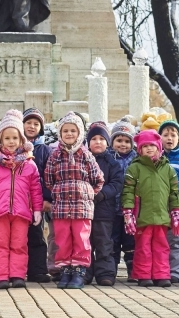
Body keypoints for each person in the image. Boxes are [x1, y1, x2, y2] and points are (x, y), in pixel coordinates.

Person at [0, 110, 44, 289]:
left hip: (21, 212)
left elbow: (35, 189)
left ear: (21, 140)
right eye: (7, 138)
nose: (11, 142)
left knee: (19, 244)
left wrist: (37, 209)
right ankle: (1, 276)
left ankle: (17, 275)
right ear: (0, 140)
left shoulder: (29, 164)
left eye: (15, 138)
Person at [44, 112, 105, 290]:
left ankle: (78, 270)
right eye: (66, 131)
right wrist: (57, 190)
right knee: (62, 239)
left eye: (73, 130)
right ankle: (65, 270)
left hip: (82, 208)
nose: (69, 134)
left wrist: (87, 192)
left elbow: (98, 179)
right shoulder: (55, 156)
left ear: (79, 133)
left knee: (81, 239)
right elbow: (48, 179)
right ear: (60, 134)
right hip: (61, 208)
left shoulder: (86, 155)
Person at [121, 130, 179, 287]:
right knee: (143, 247)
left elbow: (174, 192)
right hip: (142, 216)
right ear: (139, 149)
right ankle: (143, 275)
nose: (149, 149)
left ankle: (161, 275)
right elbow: (127, 192)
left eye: (152, 146)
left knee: (162, 247)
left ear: (159, 147)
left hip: (162, 216)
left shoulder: (167, 169)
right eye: (145, 146)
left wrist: (175, 212)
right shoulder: (134, 168)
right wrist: (128, 213)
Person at [84, 122, 124, 286]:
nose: (98, 142)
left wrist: (102, 194)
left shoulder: (112, 163)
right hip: (84, 209)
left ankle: (105, 273)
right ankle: (85, 272)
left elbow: (117, 183)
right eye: (94, 139)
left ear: (107, 142)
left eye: (101, 138)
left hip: (104, 210)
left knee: (104, 243)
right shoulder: (83, 160)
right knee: (85, 243)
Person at [22, 108, 54, 283]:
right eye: (28, 123)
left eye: (36, 124)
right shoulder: (15, 146)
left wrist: (47, 198)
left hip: (37, 201)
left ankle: (38, 270)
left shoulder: (44, 150)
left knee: (36, 234)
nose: (32, 126)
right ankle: (18, 269)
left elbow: (49, 176)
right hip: (18, 200)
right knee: (18, 236)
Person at [159, 119, 179, 283]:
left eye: (173, 135)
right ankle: (161, 271)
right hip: (158, 207)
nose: (169, 138)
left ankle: (178, 273)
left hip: (177, 208)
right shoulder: (155, 156)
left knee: (177, 241)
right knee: (160, 241)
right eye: (165, 135)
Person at [110, 118, 138, 280]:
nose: (123, 144)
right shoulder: (108, 157)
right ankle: (111, 269)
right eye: (119, 140)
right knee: (112, 240)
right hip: (111, 207)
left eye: (127, 141)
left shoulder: (136, 159)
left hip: (130, 209)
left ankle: (132, 270)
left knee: (130, 242)